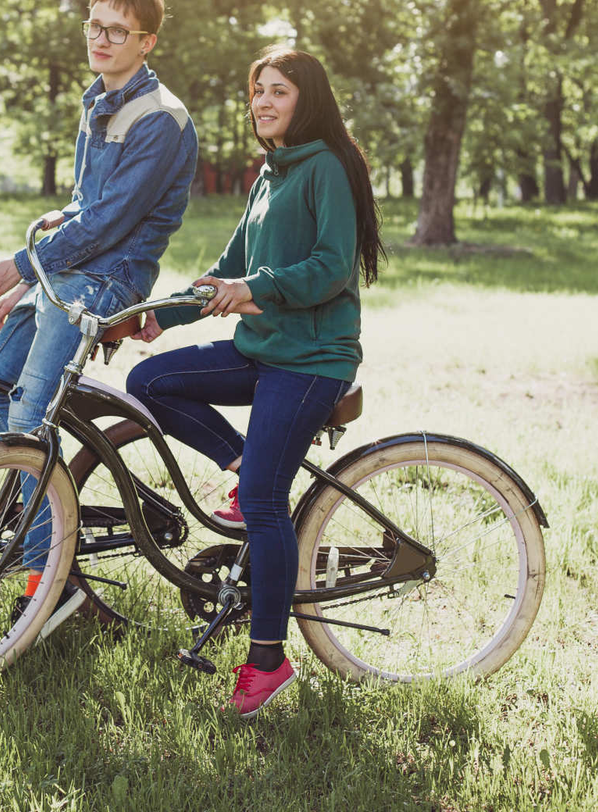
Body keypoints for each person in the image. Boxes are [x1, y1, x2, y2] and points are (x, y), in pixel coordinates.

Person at [126, 46, 386, 718]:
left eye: (279, 91)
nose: (264, 102)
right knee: (150, 381)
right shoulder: (270, 174)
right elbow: (225, 272)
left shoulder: (326, 166)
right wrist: (158, 315)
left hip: (311, 360)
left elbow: (332, 267)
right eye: (258, 91)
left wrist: (253, 289)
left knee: (266, 506)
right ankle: (243, 461)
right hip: (264, 348)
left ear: (308, 99)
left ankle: (267, 661)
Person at [0, 0, 198, 633]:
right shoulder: (98, 100)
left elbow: (108, 225)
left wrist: (18, 265)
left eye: (116, 30)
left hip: (107, 280)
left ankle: (52, 588)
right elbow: (78, 207)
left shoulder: (160, 118)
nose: (100, 38)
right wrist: (27, 281)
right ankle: (57, 524)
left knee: (29, 416)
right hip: (66, 275)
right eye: (94, 25)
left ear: (147, 41)